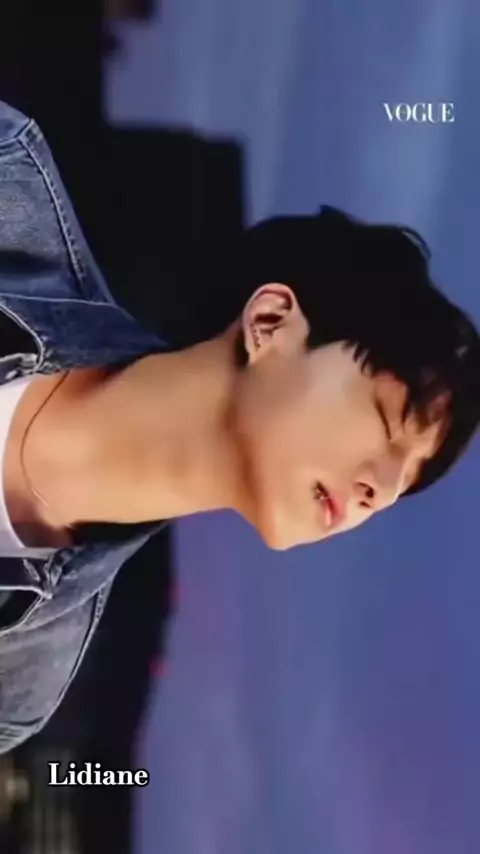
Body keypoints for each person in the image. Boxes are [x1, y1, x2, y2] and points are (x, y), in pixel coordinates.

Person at [0, 99, 478, 754]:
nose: (381, 490)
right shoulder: (8, 181)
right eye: (384, 422)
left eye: (403, 486)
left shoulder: (20, 679)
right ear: (271, 322)